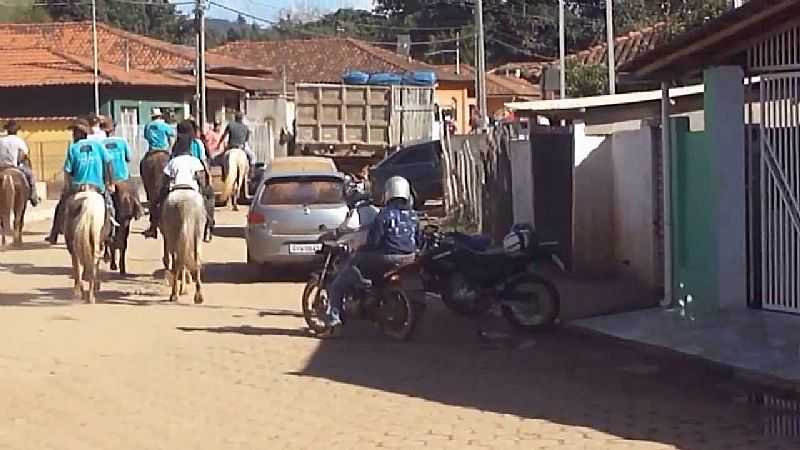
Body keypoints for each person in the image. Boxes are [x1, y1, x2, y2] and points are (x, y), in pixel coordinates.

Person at [325, 176, 419, 329]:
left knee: (348, 270)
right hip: (409, 258)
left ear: (388, 193)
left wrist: (361, 249)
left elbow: (374, 240)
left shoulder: (384, 214)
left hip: (387, 257)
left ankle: (335, 317)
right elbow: (418, 239)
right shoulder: (413, 215)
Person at [46, 119, 115, 244]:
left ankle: (54, 233)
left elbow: (68, 171)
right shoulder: (98, 145)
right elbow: (108, 163)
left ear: (79, 133)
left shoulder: (73, 148)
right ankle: (111, 233)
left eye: (74, 132)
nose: (73, 134)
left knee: (61, 207)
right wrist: (110, 182)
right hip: (97, 187)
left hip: (77, 188)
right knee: (110, 207)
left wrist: (67, 187)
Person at [147, 126, 207, 238]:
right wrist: (204, 190)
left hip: (175, 189)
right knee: (208, 202)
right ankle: (208, 225)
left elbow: (165, 180)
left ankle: (154, 224)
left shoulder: (173, 161)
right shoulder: (195, 161)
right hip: (192, 189)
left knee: (157, 204)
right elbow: (201, 180)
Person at [101, 118, 142, 221]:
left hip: (107, 179)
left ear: (103, 130)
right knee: (134, 190)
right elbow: (128, 158)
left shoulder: (100, 144)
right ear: (114, 129)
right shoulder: (122, 141)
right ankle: (138, 209)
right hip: (122, 176)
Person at [0, 120, 40, 206]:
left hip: (1, 168)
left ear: (7, 130)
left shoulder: (1, 140)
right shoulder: (19, 141)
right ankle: (34, 197)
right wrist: (18, 161)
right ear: (16, 131)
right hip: (14, 167)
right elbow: (23, 155)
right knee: (31, 175)